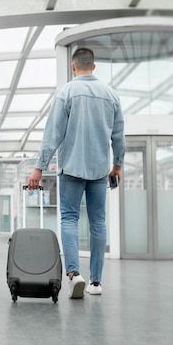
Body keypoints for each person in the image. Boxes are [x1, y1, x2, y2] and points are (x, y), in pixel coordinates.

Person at [28, 47, 125, 299]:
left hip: (70, 167)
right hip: (99, 170)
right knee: (98, 222)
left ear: (74, 67)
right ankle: (96, 282)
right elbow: (119, 136)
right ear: (93, 67)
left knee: (69, 218)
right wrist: (117, 165)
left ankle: (74, 274)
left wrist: (39, 167)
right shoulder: (111, 96)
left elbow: (53, 135)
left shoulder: (66, 92)